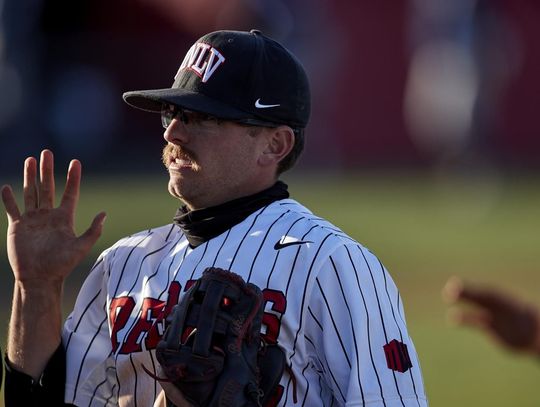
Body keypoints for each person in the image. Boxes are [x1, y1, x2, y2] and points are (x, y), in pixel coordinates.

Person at [2, 29, 428, 406]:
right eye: (173, 113)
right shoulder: (122, 265)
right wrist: (36, 289)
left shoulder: (331, 263)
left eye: (202, 117)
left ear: (274, 145)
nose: (172, 133)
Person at [443, 277, 540, 356]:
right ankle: (462, 293)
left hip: (526, 332)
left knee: (493, 317)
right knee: (493, 316)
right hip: (526, 330)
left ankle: (462, 293)